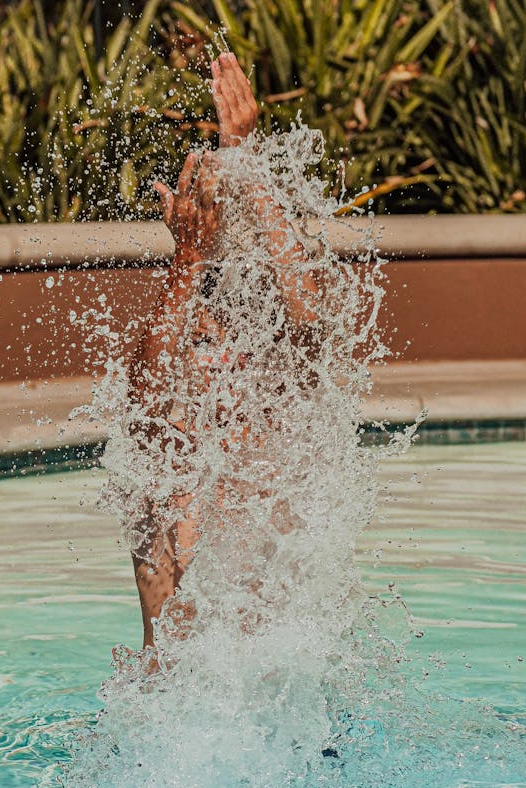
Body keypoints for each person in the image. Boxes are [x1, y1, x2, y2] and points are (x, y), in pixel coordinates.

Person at [125, 52, 323, 666]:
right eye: (207, 343)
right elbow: (145, 388)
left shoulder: (272, 439)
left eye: (237, 343)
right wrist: (188, 262)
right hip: (179, 739)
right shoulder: (164, 468)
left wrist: (246, 162)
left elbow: (310, 324)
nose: (225, 361)